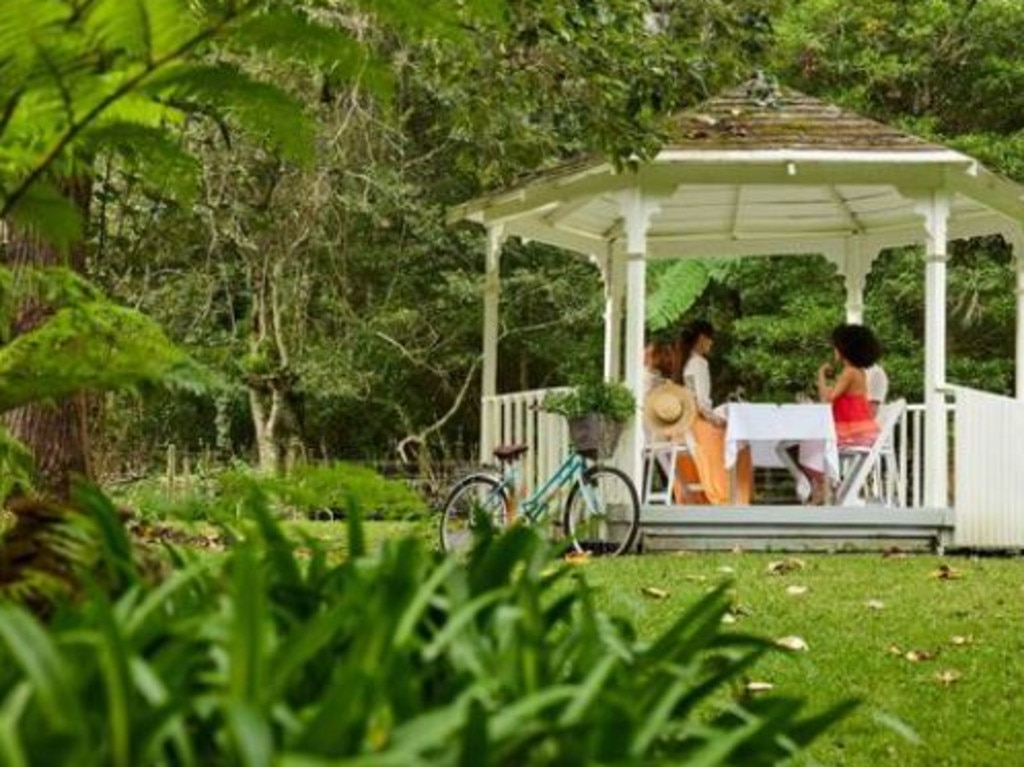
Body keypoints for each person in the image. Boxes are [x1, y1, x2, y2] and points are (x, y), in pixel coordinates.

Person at [677, 320, 752, 505]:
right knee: (740, 440)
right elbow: (702, 404)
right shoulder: (699, 363)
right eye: (710, 340)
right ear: (702, 339)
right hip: (698, 423)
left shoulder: (684, 363)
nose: (712, 344)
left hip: (685, 424)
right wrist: (716, 420)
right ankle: (733, 495)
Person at [808, 323, 882, 502]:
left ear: (843, 349)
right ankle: (831, 487)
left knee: (809, 444)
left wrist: (821, 376)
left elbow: (827, 398)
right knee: (813, 442)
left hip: (853, 433)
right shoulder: (859, 372)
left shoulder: (849, 373)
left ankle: (823, 487)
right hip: (863, 431)